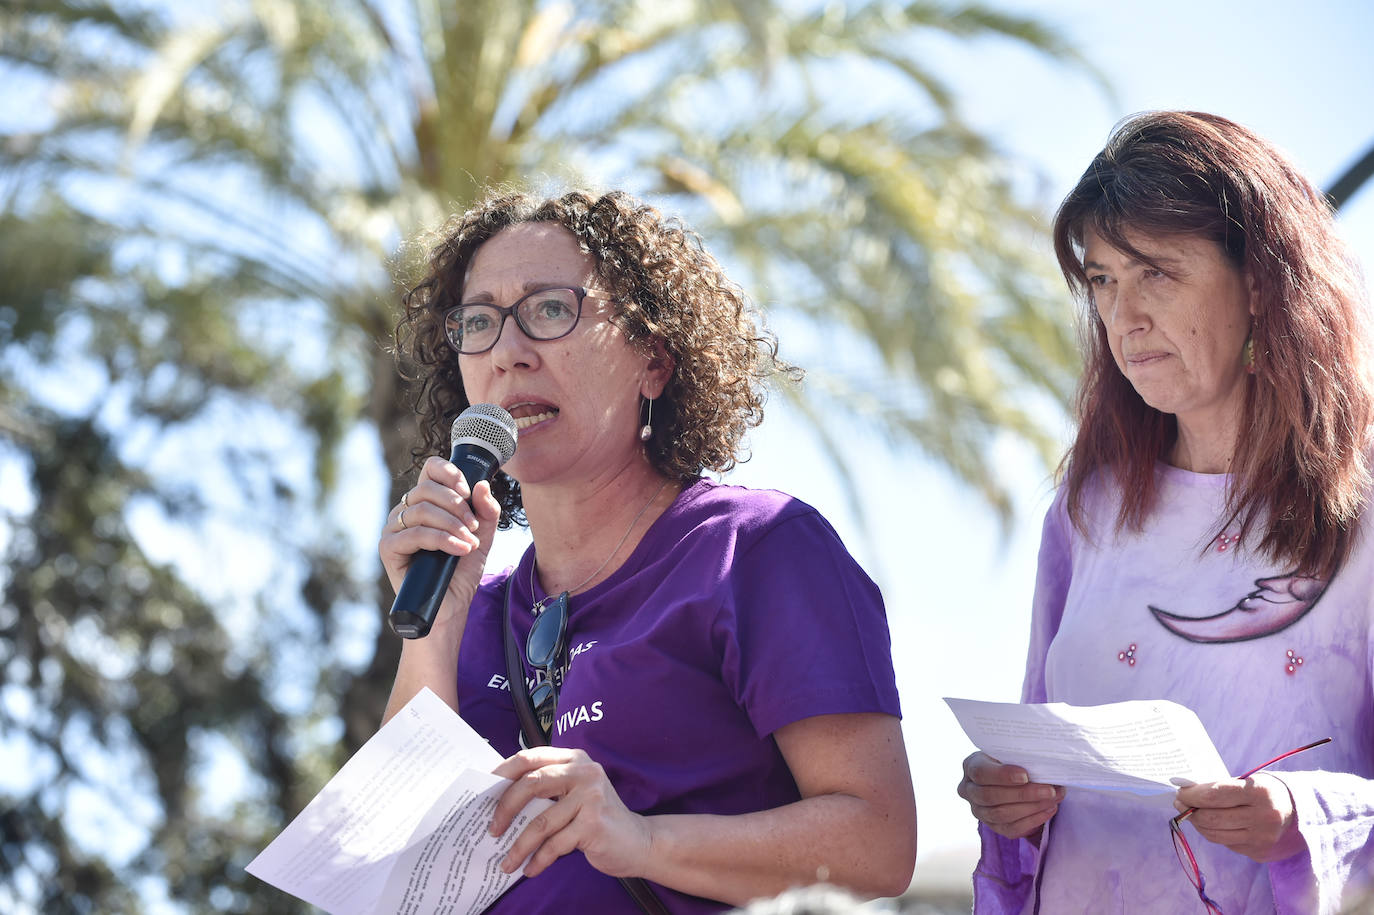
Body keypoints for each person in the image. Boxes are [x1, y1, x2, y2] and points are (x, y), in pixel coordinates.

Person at [377, 188, 917, 913]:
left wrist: (640, 840)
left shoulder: (753, 551)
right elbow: (385, 869)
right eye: (480, 322)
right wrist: (434, 632)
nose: (508, 352)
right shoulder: (475, 612)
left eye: (549, 309)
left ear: (655, 360)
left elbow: (879, 843)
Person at [957, 110, 1374, 913]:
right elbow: (1043, 752)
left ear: (1260, 280)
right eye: (1103, 280)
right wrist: (1007, 797)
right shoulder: (1088, 508)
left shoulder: (1363, 510)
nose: (1124, 317)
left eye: (1156, 272)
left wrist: (1301, 818)